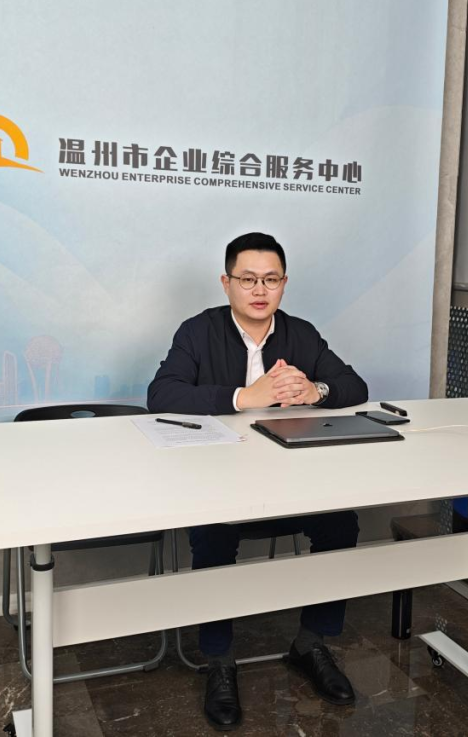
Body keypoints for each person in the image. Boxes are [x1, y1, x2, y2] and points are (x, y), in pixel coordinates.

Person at [147, 231, 368, 731]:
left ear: (284, 284)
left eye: (271, 279)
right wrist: (243, 398)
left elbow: (355, 385)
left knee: (341, 523)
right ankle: (219, 660)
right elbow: (161, 395)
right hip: (218, 478)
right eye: (247, 279)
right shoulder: (198, 332)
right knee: (213, 534)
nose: (259, 290)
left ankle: (311, 643)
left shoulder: (301, 334)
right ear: (226, 282)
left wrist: (316, 389)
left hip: (290, 478)